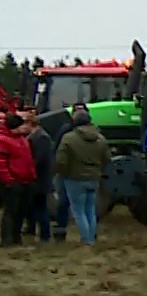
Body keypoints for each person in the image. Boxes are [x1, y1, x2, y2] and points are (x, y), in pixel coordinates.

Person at [54, 104, 110, 247]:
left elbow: (61, 161)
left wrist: (65, 174)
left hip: (74, 178)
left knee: (78, 211)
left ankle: (87, 240)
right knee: (90, 209)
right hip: (93, 178)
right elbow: (107, 159)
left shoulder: (68, 138)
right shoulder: (101, 138)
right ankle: (91, 236)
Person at [0, 114, 37, 247]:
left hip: (27, 181)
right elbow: (1, 163)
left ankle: (17, 236)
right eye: (22, 125)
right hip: (14, 182)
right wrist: (8, 180)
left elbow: (29, 160)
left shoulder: (23, 139)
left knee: (21, 211)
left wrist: (32, 176)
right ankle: (7, 239)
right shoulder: (3, 140)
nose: (24, 127)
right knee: (11, 212)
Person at [22, 110, 55, 243]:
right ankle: (34, 230)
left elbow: (40, 159)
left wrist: (29, 170)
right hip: (35, 178)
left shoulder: (42, 137)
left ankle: (45, 235)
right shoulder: (33, 136)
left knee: (41, 208)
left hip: (40, 179)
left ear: (30, 124)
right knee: (35, 207)